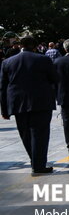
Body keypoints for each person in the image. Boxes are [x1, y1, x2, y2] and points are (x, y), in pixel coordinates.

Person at [1, 36, 58, 175]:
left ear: (21, 45)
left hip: (18, 103)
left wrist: (4, 109)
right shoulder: (43, 59)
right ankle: (38, 165)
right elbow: (55, 79)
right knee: (40, 134)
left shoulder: (8, 62)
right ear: (35, 46)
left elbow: (2, 88)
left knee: (25, 134)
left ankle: (35, 160)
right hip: (41, 102)